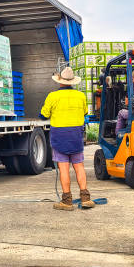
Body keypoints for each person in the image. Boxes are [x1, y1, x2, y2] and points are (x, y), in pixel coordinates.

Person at [40, 67, 95, 211]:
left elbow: (44, 114)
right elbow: (85, 112)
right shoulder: (80, 96)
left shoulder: (52, 96)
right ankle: (85, 199)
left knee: (64, 168)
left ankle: (67, 201)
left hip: (59, 136)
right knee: (79, 166)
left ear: (60, 81)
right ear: (72, 82)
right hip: (76, 135)